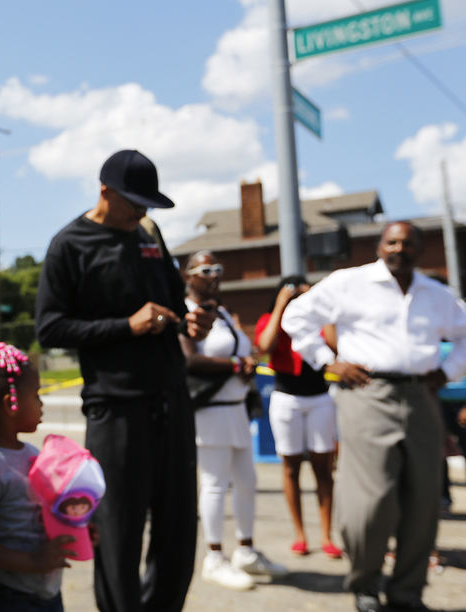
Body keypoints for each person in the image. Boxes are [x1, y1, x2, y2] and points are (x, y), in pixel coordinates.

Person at [35, 149, 214, 612]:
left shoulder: (150, 236)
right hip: (116, 407)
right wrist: (125, 326)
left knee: (178, 529)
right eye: (134, 202)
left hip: (172, 400)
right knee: (119, 532)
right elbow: (50, 328)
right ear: (105, 192)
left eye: (148, 204)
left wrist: (189, 324)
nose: (142, 212)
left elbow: (174, 304)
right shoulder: (69, 244)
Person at [283, 221, 466, 612]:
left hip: (421, 395)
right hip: (368, 392)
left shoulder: (436, 294)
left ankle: (407, 592)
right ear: (380, 246)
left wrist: (449, 372)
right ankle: (365, 584)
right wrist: (329, 363)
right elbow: (295, 318)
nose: (400, 248)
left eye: (409, 243)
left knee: (423, 498)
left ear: (420, 249)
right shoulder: (350, 282)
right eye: (392, 241)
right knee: (372, 501)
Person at [180, 251, 287, 591]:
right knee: (214, 483)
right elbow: (190, 360)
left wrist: (246, 362)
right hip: (210, 410)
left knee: (246, 481)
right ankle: (214, 556)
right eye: (206, 269)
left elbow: (241, 354)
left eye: (218, 269)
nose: (214, 275)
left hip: (236, 407)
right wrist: (234, 366)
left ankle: (246, 549)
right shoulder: (186, 312)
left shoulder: (222, 311)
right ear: (189, 275)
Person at [0, 342, 74, 612]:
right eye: (36, 395)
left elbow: (46, 509)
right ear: (11, 404)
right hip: (6, 597)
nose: (42, 403)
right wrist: (33, 562)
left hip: (45, 591)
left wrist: (76, 526)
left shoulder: (34, 454)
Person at [256, 275, 340, 559]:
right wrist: (281, 306)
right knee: (290, 467)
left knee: (323, 467)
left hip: (319, 397)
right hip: (286, 398)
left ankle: (327, 534)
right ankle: (300, 534)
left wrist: (320, 304)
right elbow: (264, 346)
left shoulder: (317, 321)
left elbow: (333, 347)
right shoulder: (270, 318)